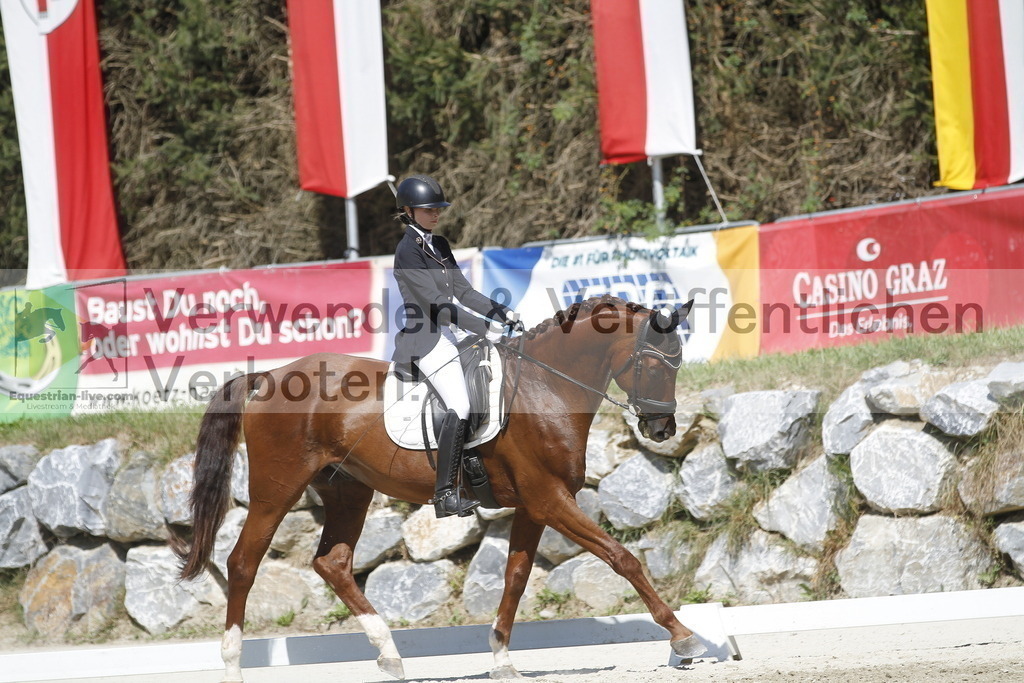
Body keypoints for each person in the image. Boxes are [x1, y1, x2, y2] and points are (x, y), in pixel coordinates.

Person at [391, 174, 522, 518]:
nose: (436, 213)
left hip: (453, 333)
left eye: (438, 208)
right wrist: (483, 327)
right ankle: (445, 493)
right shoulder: (407, 251)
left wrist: (501, 312)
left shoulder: (439, 245)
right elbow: (435, 303)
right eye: (428, 208)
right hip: (427, 339)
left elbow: (462, 293)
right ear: (408, 211)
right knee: (460, 405)